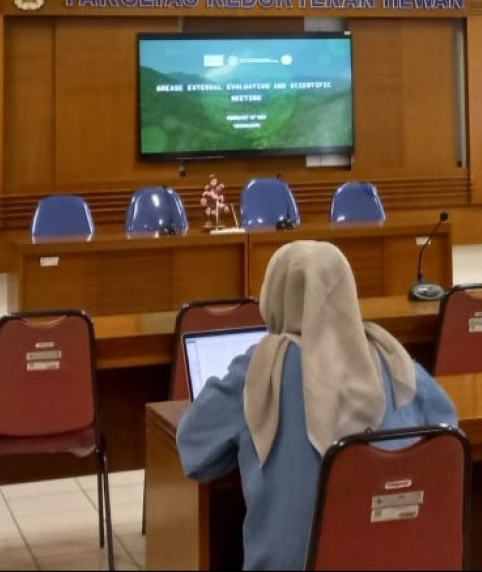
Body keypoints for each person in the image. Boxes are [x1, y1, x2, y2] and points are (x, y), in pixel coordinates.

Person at [176, 241, 457, 570]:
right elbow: (447, 435)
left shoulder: (262, 369)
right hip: (397, 558)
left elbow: (193, 448)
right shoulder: (392, 357)